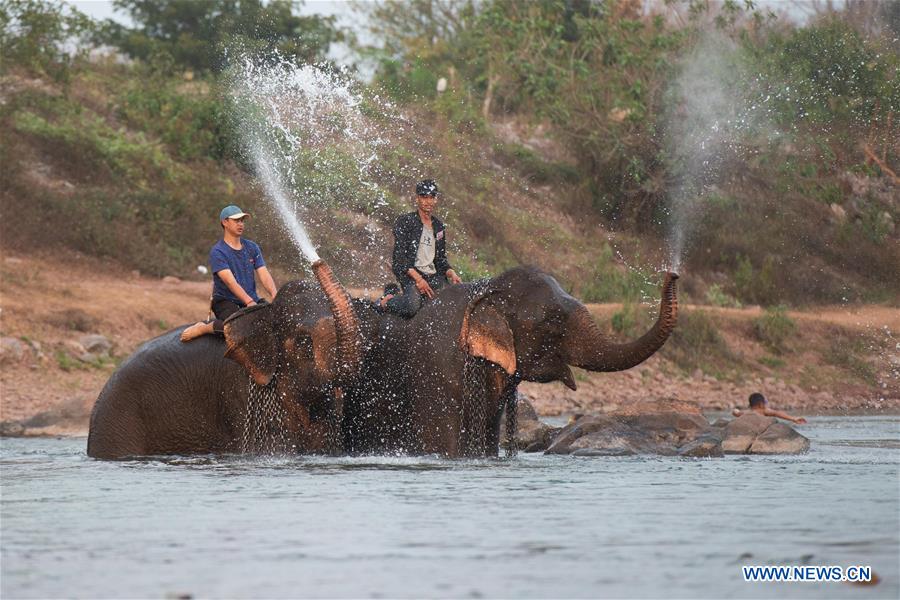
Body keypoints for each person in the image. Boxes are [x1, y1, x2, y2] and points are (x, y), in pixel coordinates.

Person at [181, 205, 278, 342]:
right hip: (225, 301)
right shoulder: (218, 252)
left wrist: (275, 295)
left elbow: (264, 274)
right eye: (236, 220)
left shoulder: (252, 247)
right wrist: (249, 302)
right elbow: (230, 282)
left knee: (276, 321)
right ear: (225, 222)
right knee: (238, 329)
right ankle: (204, 328)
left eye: (242, 221)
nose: (241, 224)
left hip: (251, 299)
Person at [381, 179, 462, 317]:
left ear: (436, 199)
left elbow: (440, 260)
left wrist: (451, 273)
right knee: (412, 307)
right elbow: (400, 258)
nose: (428, 201)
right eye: (424, 197)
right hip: (410, 274)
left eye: (431, 197)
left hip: (433, 275)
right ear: (417, 198)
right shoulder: (405, 221)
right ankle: (387, 301)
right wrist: (419, 280)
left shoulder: (439, 227)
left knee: (453, 304)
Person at [732, 392, 807, 424]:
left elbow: (735, 412)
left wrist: (735, 411)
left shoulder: (746, 413)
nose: (766, 405)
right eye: (765, 403)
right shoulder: (763, 411)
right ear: (761, 404)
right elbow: (777, 413)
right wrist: (793, 419)